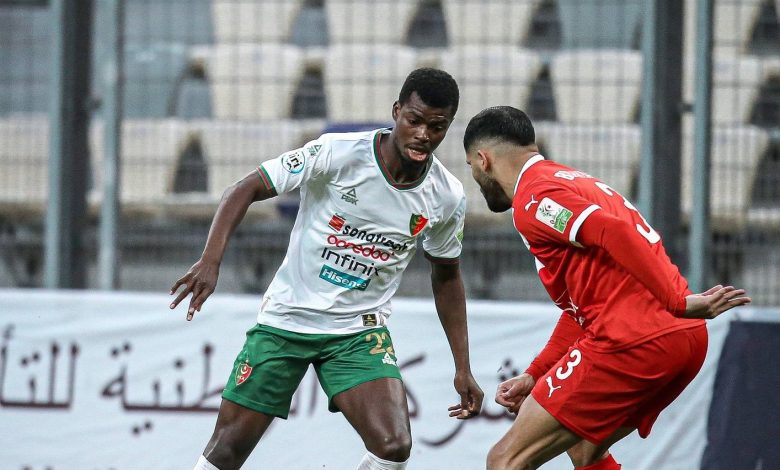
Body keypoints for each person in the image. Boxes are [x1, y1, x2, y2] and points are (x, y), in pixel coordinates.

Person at [169, 68, 484, 470]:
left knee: (393, 446)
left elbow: (447, 277)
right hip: (287, 320)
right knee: (227, 450)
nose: (424, 134)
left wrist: (462, 366)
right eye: (415, 120)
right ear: (396, 111)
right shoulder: (338, 152)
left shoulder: (446, 196)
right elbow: (245, 188)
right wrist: (211, 260)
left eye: (437, 127)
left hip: (357, 331)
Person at [461, 106, 751, 470]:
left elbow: (612, 231)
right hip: (683, 340)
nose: (474, 176)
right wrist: (537, 373)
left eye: (470, 166)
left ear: (483, 160)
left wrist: (676, 301)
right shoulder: (571, 181)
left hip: (636, 340)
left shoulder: (535, 199)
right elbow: (584, 310)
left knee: (505, 460)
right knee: (585, 449)